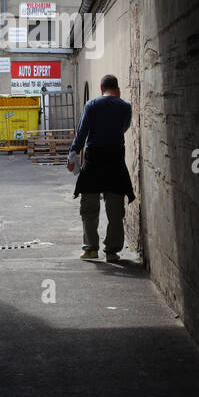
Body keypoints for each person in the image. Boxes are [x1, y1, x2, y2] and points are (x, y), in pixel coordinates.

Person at [66, 74, 135, 262]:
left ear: (101, 88)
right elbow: (124, 127)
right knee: (115, 208)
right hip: (115, 159)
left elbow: (82, 133)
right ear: (118, 89)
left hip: (94, 160)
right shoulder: (125, 106)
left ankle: (91, 249)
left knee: (89, 207)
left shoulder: (92, 105)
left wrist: (72, 155)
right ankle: (112, 251)